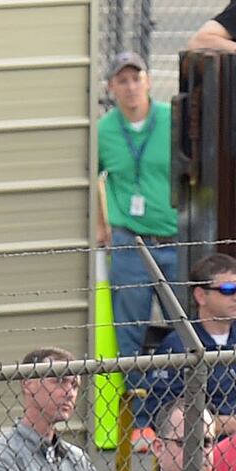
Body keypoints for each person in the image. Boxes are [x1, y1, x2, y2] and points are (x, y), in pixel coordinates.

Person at [94, 55, 184, 333]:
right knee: (129, 328)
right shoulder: (104, 130)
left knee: (185, 327)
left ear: (148, 82)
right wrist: (101, 223)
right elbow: (92, 177)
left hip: (174, 238)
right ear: (111, 88)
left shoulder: (172, 120)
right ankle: (134, 378)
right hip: (130, 241)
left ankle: (187, 378)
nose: (131, 87)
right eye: (122, 81)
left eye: (136, 79)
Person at [145, 254, 236, 432]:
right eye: (228, 289)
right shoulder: (177, 345)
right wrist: (224, 424)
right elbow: (160, 414)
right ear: (201, 296)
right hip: (202, 447)